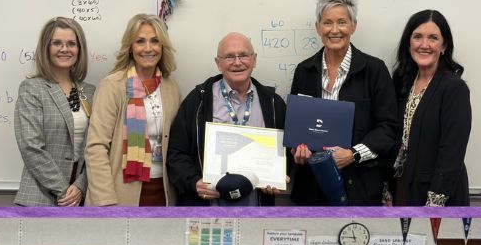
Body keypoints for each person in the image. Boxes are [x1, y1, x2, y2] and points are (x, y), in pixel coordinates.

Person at [289, 0, 399, 205]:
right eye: (327, 22)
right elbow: (296, 124)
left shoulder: (374, 70)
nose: (334, 30)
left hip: (360, 186)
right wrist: (297, 149)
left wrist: (353, 154)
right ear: (318, 27)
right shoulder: (304, 71)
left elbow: (388, 127)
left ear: (353, 26)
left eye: (342, 22)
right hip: (311, 187)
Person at [166, 32, 288, 205]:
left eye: (244, 55)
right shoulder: (198, 101)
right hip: (208, 207)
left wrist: (277, 177)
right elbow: (176, 153)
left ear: (254, 59)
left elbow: (287, 151)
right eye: (229, 57)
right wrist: (194, 182)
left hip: (256, 206)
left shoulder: (273, 103)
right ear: (218, 63)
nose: (237, 62)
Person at [85, 13, 181, 206]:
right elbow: (96, 147)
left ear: (162, 46)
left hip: (164, 191)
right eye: (140, 41)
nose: (148, 48)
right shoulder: (112, 86)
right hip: (119, 193)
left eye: (155, 41)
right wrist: (105, 200)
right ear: (130, 47)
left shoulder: (171, 87)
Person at [389, 10, 471, 206]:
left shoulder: (454, 88)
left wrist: (435, 201)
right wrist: (387, 189)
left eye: (433, 38)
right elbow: (392, 136)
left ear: (444, 46)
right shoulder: (401, 80)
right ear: (408, 42)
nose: (424, 45)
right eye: (417, 37)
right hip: (402, 185)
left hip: (438, 193)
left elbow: (452, 151)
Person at [14, 17, 95, 206]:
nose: (64, 49)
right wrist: (63, 190)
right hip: (39, 195)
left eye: (71, 44)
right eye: (57, 43)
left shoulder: (90, 92)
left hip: (82, 196)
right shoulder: (32, 89)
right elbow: (30, 146)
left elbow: (96, 147)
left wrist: (81, 186)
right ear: (46, 48)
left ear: (79, 49)